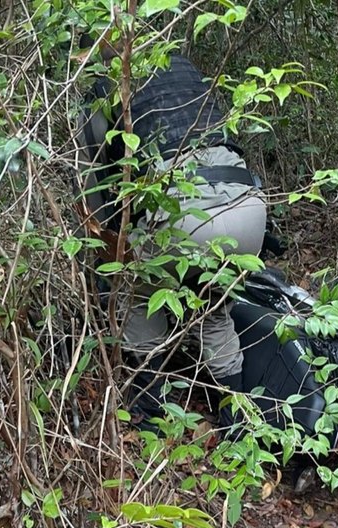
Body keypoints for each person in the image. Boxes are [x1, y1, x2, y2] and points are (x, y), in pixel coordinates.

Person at [75, 47, 267, 429]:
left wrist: (110, 252)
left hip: (182, 212)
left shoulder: (104, 87)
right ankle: (237, 421)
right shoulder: (183, 63)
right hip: (249, 205)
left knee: (134, 291)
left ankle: (150, 418)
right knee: (214, 309)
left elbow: (97, 196)